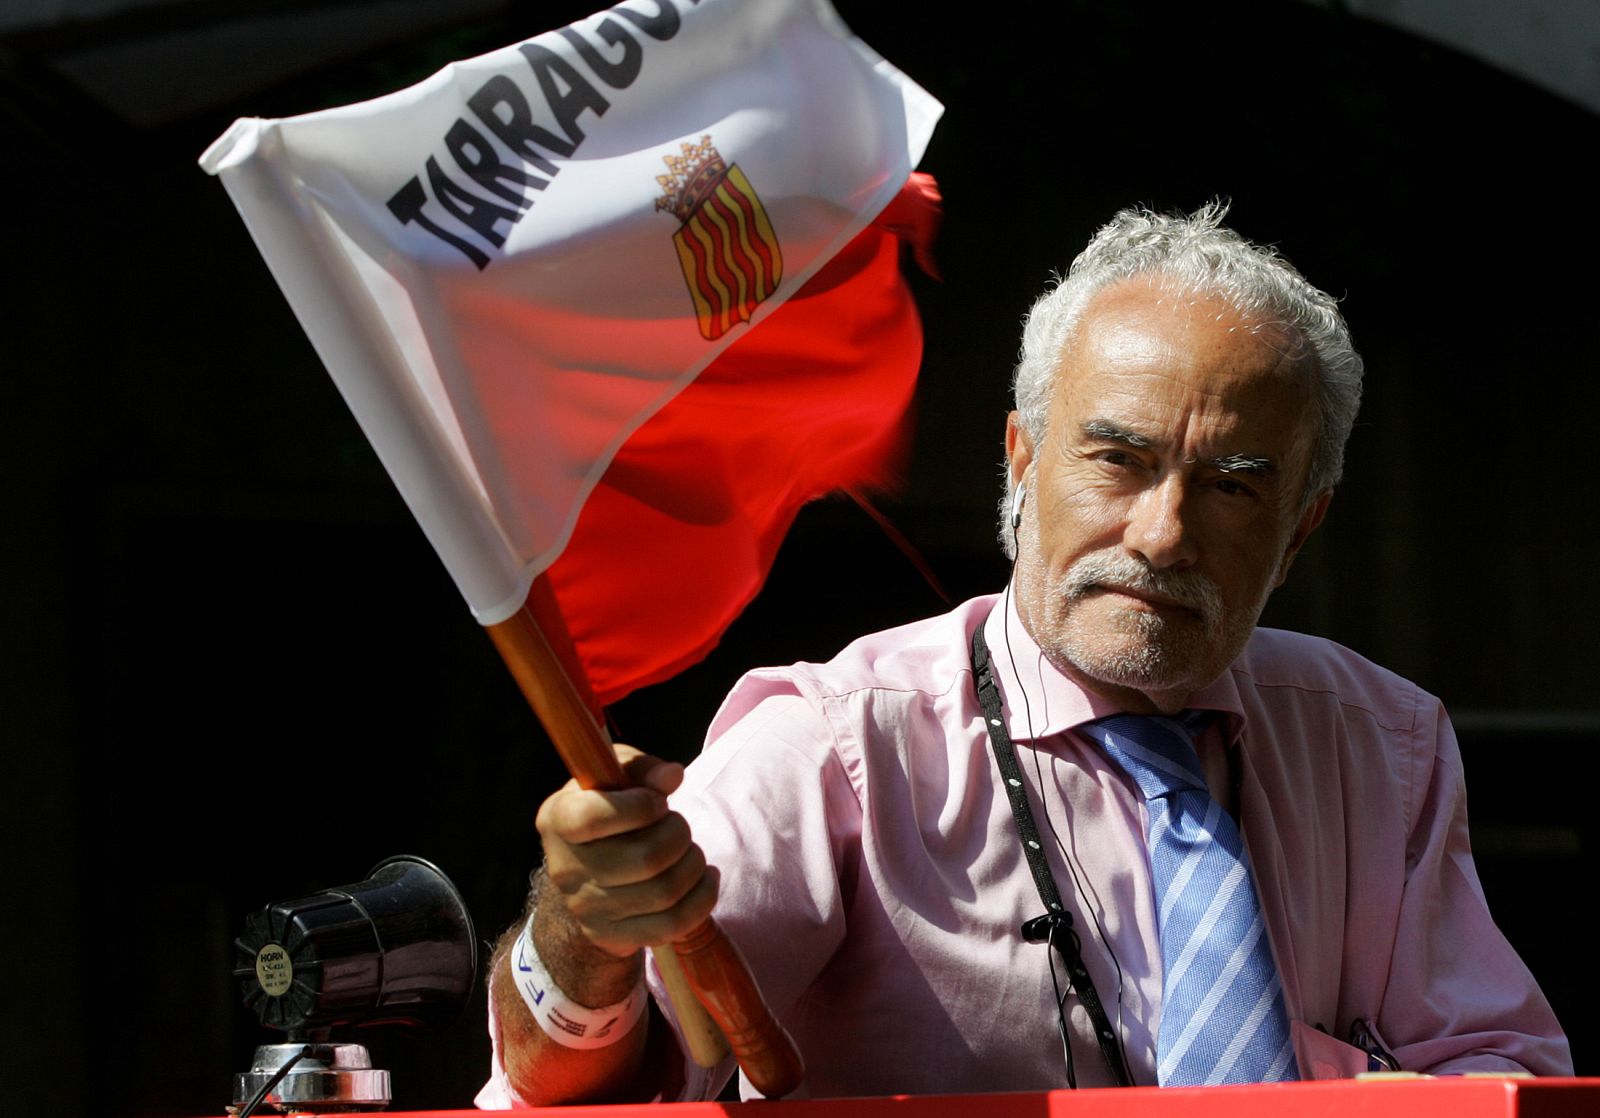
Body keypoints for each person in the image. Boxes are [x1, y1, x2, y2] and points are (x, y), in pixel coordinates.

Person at [478, 204, 1572, 1106]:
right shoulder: (839, 746)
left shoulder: (1378, 743)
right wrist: (584, 931)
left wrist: (1299, 1080)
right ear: (1020, 458)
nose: (1161, 534)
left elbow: (1506, 1078)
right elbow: (565, 1090)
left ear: (1302, 529)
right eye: (1117, 460)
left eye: (1231, 487)